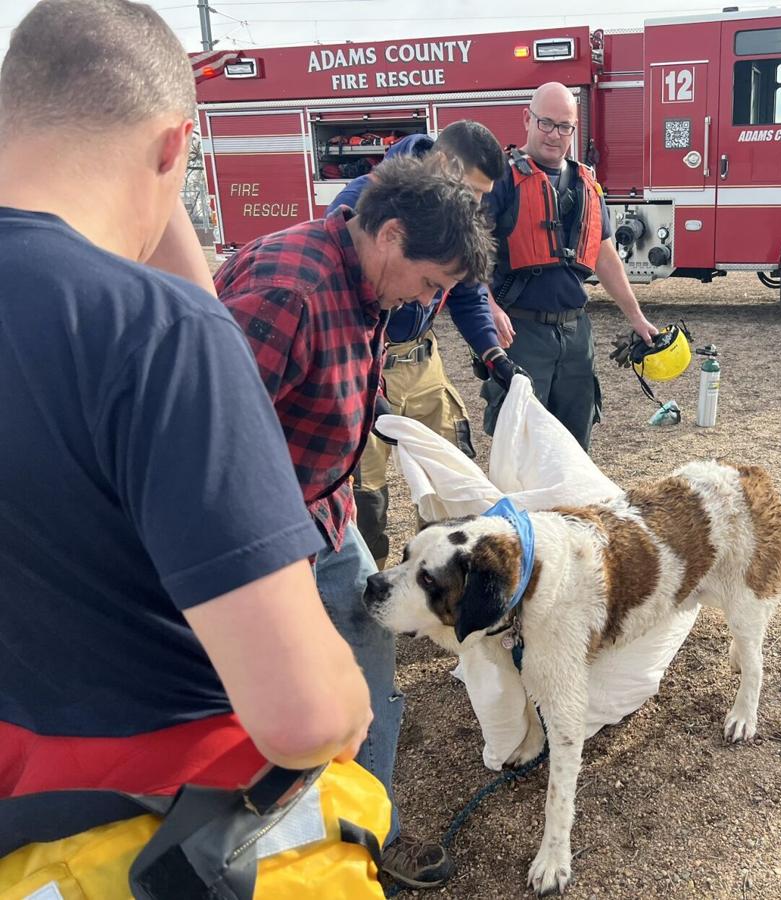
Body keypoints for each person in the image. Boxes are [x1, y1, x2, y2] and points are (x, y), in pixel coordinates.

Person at [0, 0, 383, 893]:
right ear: (177, 149)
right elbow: (301, 717)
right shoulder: (156, 334)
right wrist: (345, 687)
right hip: (165, 839)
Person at [215, 152, 493, 890]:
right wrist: (266, 576)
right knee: (269, 704)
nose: (425, 301)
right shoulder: (290, 290)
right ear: (392, 235)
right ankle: (252, 853)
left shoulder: (367, 284)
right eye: (431, 283)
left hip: (325, 514)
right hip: (260, 538)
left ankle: (369, 829)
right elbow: (206, 446)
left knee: (369, 655)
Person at [327, 121, 518, 569]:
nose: (475, 203)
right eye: (472, 189)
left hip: (421, 357)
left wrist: (493, 354)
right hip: (368, 360)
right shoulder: (364, 201)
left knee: (451, 464)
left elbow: (467, 291)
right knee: (364, 489)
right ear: (445, 164)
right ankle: (365, 589)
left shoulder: (452, 209)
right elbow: (340, 297)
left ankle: (437, 578)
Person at [482, 81, 658, 451]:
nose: (554, 135)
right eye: (546, 123)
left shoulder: (586, 183)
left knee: (575, 446)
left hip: (576, 334)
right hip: (520, 333)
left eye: (564, 127)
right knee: (521, 446)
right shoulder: (500, 180)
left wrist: (637, 318)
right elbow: (468, 254)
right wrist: (490, 309)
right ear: (527, 118)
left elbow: (605, 257)